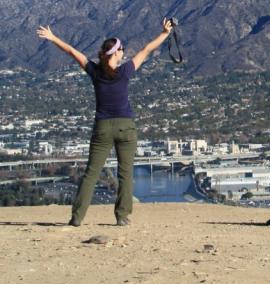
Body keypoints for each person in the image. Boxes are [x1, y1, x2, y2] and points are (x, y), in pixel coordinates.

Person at [37, 19, 174, 226]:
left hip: (102, 127)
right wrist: (164, 33)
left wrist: (53, 37)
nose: (124, 53)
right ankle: (122, 216)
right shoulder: (126, 71)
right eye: (122, 50)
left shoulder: (95, 72)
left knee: (91, 173)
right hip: (126, 127)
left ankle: (77, 218)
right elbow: (147, 49)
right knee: (125, 173)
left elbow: (73, 52)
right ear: (116, 53)